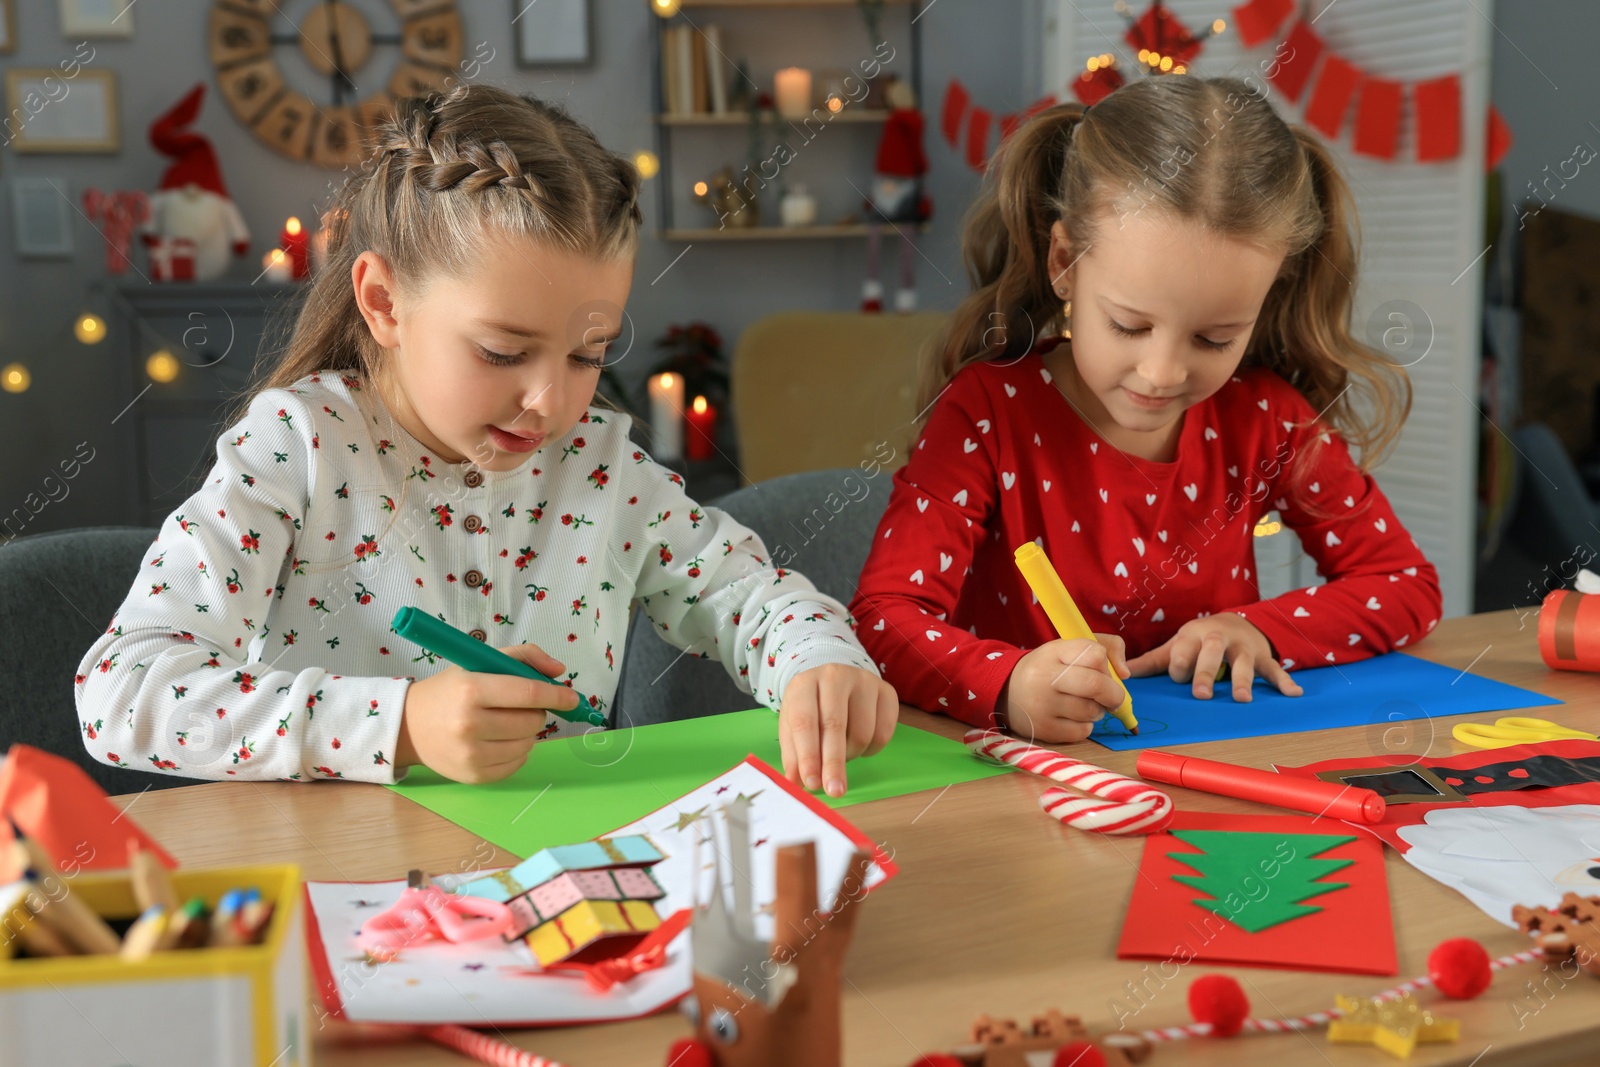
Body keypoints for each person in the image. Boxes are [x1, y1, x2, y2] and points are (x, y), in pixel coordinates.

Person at [78, 85, 896, 793]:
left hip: (553, 884)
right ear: (385, 303)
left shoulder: (602, 468)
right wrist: (400, 725)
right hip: (344, 890)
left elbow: (747, 593)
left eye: (588, 354)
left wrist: (819, 658)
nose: (548, 401)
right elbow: (119, 691)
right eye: (501, 352)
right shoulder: (299, 447)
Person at [851, 75, 1441, 743]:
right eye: (1129, 325)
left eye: (1214, 338)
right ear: (1066, 263)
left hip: (1214, 779)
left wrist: (1258, 628)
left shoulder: (1266, 416)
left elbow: (1403, 582)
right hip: (1022, 790)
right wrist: (1011, 684)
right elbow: (882, 618)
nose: (1162, 373)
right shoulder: (987, 412)